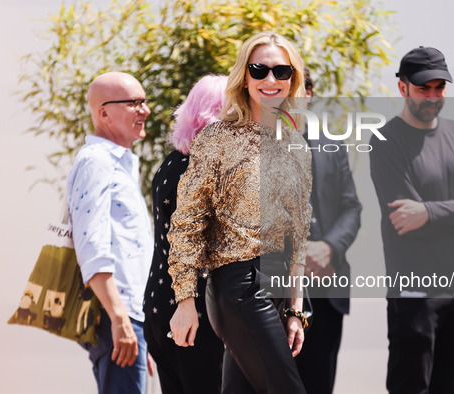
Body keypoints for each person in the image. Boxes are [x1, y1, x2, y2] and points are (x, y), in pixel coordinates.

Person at [167, 31, 311, 394]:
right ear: (244, 76)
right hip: (241, 287)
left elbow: (299, 234)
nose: (270, 80)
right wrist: (185, 302)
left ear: (293, 79)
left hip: (277, 287)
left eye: (282, 71)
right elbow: (186, 222)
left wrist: (295, 310)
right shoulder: (218, 138)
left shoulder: (295, 143)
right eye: (259, 69)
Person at [369, 47, 454, 394]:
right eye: (424, 88)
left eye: (440, 87)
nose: (433, 96)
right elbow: (403, 217)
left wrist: (429, 212)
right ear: (402, 87)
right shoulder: (385, 140)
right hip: (415, 294)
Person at [67, 72, 153, 394]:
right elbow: (92, 246)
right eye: (134, 103)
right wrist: (120, 320)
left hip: (131, 316)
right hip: (116, 313)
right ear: (103, 112)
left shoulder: (120, 164)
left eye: (144, 101)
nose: (144, 110)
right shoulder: (96, 163)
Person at [143, 74, 227, 394]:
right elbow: (189, 241)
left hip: (161, 306)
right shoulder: (199, 169)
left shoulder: (172, 162)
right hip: (191, 312)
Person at [294, 68, 362, 394]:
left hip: (326, 289)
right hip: (276, 292)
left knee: (320, 384)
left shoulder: (333, 144)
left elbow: (352, 208)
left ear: (310, 91)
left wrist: (329, 247)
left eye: (298, 87)